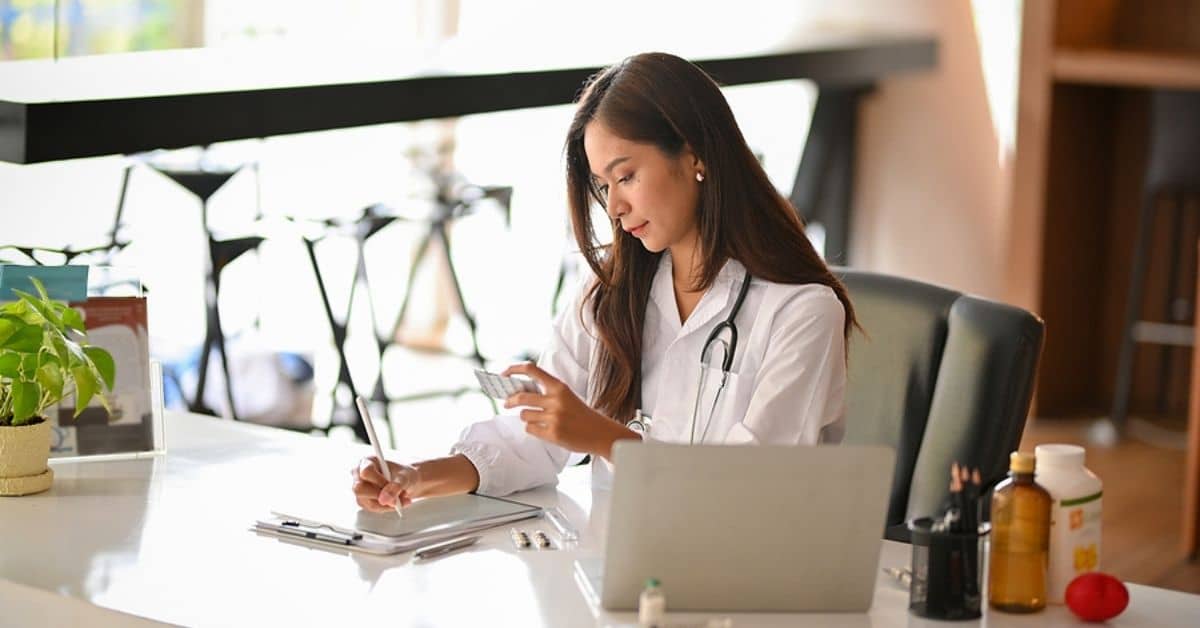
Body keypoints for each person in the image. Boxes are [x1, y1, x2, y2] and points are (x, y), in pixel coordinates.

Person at [352, 52, 857, 512]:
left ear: (695, 154)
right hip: (615, 565)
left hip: (738, 585)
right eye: (603, 186)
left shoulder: (802, 313)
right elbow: (536, 439)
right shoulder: (609, 294)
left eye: (627, 175)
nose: (614, 207)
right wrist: (417, 477)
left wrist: (607, 440)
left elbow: (754, 490)